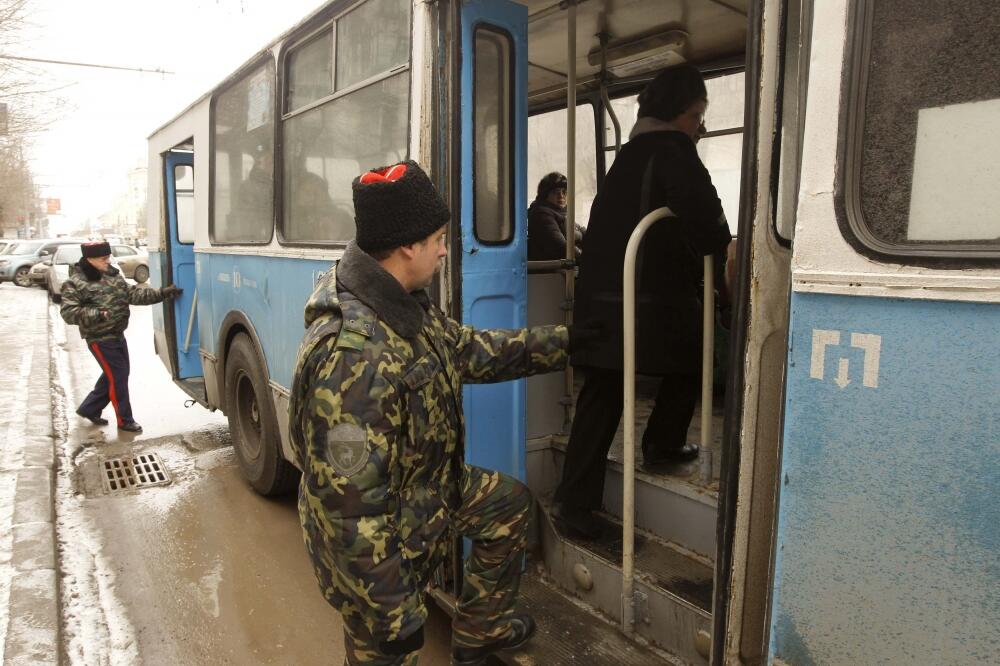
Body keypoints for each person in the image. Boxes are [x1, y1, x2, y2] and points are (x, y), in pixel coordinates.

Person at [288, 160, 599, 666]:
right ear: (407, 247)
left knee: (508, 506)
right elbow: (348, 508)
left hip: (426, 489)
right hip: (379, 546)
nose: (443, 250)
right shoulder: (354, 360)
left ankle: (480, 631)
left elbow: (467, 350)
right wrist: (393, 612)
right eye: (436, 239)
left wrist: (565, 344)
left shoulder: (402, 304)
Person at [553, 65, 733, 539]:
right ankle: (663, 444)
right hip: (648, 301)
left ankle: (573, 502)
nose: (699, 127)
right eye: (697, 117)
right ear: (679, 114)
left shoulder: (628, 155)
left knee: (602, 392)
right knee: (697, 352)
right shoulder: (675, 152)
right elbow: (709, 225)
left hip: (604, 298)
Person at [60, 241, 182, 433]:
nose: (108, 261)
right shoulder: (75, 282)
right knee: (118, 376)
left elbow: (133, 294)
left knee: (116, 374)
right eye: (103, 258)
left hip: (117, 335)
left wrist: (162, 294)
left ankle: (89, 408)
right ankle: (125, 420)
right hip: (99, 338)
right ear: (90, 259)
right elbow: (68, 313)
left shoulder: (112, 275)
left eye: (108, 257)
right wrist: (98, 314)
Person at [527, 172, 584, 261]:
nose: (561, 196)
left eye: (564, 192)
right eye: (555, 192)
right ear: (545, 195)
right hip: (552, 266)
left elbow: (585, 232)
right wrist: (586, 257)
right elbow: (561, 246)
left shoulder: (561, 213)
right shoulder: (542, 214)